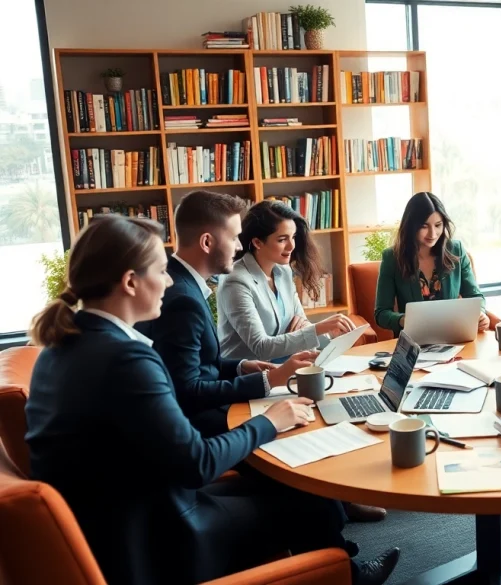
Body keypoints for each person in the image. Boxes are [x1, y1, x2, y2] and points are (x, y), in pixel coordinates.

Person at [24, 216, 399, 585]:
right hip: (160, 536)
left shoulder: (61, 346)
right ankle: (343, 576)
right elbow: (197, 463)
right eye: (161, 270)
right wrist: (271, 422)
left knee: (297, 484)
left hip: (120, 518)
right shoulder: (126, 359)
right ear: (130, 283)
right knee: (309, 500)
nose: (170, 281)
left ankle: (341, 571)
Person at [138, 191, 386, 522]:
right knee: (297, 439)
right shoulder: (187, 296)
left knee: (309, 415)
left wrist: (241, 366)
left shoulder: (187, 285)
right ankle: (340, 545)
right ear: (209, 241)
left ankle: (334, 508)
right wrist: (268, 378)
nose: (238, 246)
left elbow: (199, 367)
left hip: (235, 385)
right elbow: (188, 389)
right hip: (208, 417)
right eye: (233, 237)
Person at [218, 200, 357, 362]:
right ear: (257, 242)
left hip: (287, 366)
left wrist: (324, 332)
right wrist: (318, 328)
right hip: (248, 377)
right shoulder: (235, 281)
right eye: (282, 239)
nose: (292, 246)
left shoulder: (283, 271)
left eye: (293, 237)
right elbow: (261, 347)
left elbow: (302, 326)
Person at [375, 191, 489, 335]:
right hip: (414, 343)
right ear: (411, 226)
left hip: (454, 338)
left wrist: (480, 313)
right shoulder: (392, 258)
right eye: (424, 226)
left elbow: (474, 296)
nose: (432, 233)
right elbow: (381, 313)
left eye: (438, 225)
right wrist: (404, 320)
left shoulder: (456, 250)